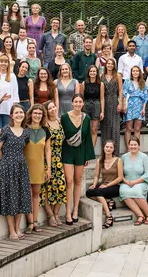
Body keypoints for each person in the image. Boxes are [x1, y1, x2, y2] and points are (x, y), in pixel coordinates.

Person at [0, 105, 32, 240]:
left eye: (21, 112)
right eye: (16, 113)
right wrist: (6, 161)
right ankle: (11, 230)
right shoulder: (5, 130)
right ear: (11, 115)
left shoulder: (26, 132)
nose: (19, 115)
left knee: (21, 197)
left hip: (21, 167)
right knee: (9, 199)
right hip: (7, 168)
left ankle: (17, 228)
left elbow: (25, 147)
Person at [61, 94, 96, 225]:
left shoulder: (86, 118)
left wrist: (87, 156)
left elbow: (88, 137)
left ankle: (75, 210)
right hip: (67, 151)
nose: (77, 104)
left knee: (77, 180)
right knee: (68, 181)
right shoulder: (64, 117)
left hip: (81, 152)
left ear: (83, 104)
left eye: (80, 102)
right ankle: (68, 212)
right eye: (75, 101)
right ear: (72, 103)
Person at [24, 104, 51, 232]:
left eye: (40, 114)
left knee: (36, 195)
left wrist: (49, 168)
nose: (37, 115)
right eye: (35, 113)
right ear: (30, 114)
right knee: (27, 195)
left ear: (43, 115)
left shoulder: (45, 130)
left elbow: (47, 150)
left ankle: (35, 222)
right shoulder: (24, 129)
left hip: (39, 166)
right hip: (25, 166)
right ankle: (29, 223)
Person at [86, 140, 123, 229]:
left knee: (99, 192)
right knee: (88, 192)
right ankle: (108, 201)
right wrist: (94, 184)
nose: (108, 149)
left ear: (113, 149)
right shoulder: (100, 161)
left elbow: (120, 178)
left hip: (115, 187)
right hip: (103, 187)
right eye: (107, 147)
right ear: (103, 148)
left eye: (111, 147)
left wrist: (107, 185)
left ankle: (109, 216)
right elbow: (96, 175)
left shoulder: (118, 160)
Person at [42, 101, 67, 227]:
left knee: (61, 186)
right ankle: (50, 215)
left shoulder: (59, 121)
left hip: (59, 158)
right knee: (46, 189)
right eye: (49, 108)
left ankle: (56, 213)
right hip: (47, 159)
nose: (52, 109)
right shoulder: (45, 124)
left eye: (53, 107)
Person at [120, 137, 148, 226]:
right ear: (128, 145)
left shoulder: (144, 157)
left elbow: (147, 174)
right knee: (123, 191)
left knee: (136, 191)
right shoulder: (124, 157)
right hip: (127, 182)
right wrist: (125, 181)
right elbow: (120, 173)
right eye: (131, 145)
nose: (133, 146)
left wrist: (135, 182)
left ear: (139, 146)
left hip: (140, 182)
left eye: (135, 145)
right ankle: (140, 215)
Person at [0, 55, 19, 132]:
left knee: (7, 133)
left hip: (8, 109)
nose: (3, 64)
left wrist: (14, 109)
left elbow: (15, 93)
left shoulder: (12, 76)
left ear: (8, 64)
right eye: (1, 61)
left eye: (5, 62)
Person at [123, 66, 147, 150]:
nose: (135, 72)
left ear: (139, 72)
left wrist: (143, 109)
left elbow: (145, 97)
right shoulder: (127, 82)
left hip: (139, 106)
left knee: (137, 129)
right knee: (128, 128)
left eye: (137, 71)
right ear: (131, 72)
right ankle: (128, 148)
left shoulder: (142, 82)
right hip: (129, 106)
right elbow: (124, 95)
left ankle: (136, 148)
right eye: (134, 71)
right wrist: (124, 105)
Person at [101, 58, 122, 148]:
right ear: (105, 65)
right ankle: (106, 151)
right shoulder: (102, 76)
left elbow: (120, 90)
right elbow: (101, 94)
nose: (110, 65)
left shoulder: (118, 76)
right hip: (105, 101)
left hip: (114, 101)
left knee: (115, 128)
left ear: (114, 66)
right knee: (106, 127)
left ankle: (115, 152)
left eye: (111, 64)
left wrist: (120, 103)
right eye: (108, 64)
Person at [82, 65, 104, 146]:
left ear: (97, 73)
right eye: (91, 71)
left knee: (94, 129)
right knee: (85, 129)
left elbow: (102, 98)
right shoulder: (84, 83)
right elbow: (81, 97)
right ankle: (85, 147)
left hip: (96, 105)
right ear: (88, 72)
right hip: (86, 106)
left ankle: (92, 149)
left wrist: (102, 111)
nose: (92, 73)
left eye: (94, 71)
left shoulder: (100, 84)